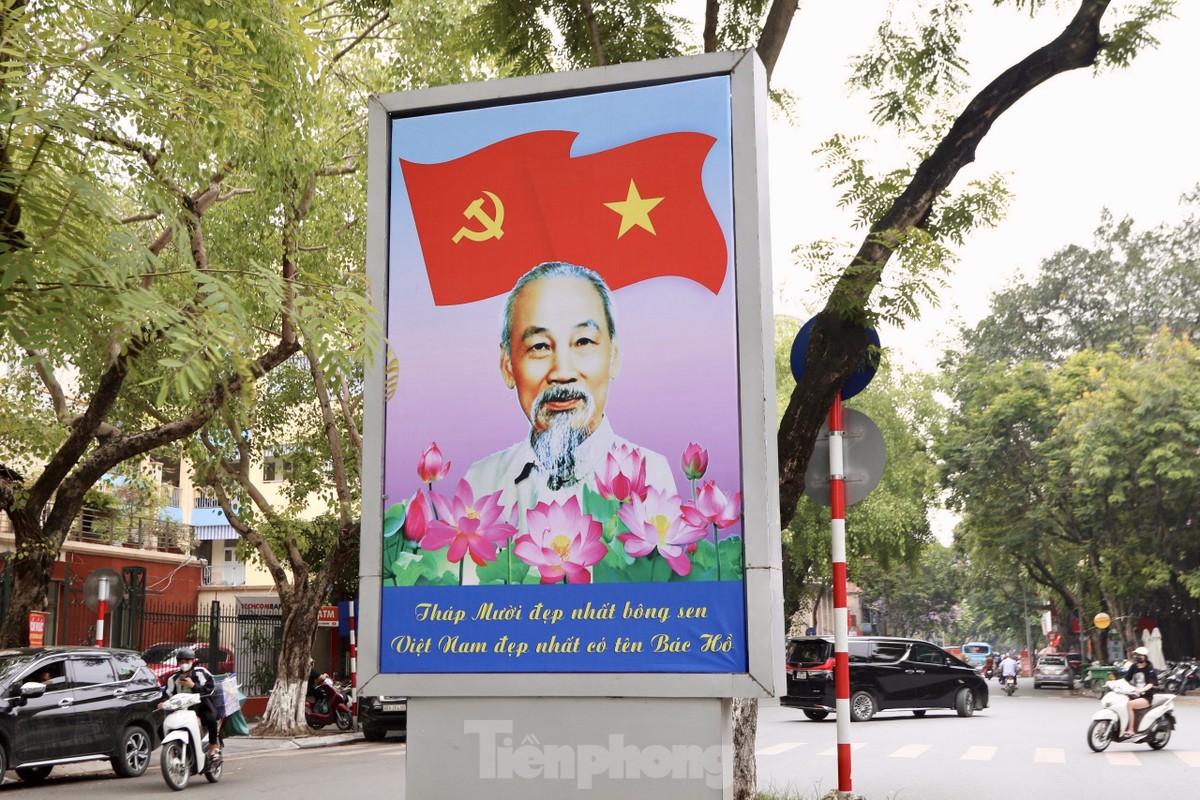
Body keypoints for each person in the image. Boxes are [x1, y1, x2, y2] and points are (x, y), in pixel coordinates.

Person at [464, 261, 678, 527]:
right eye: (539, 346)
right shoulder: (481, 481)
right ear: (507, 365)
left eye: (583, 342)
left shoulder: (653, 477)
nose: (562, 372)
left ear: (614, 356)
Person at [159, 647, 221, 760]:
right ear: (178, 663)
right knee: (161, 727)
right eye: (181, 662)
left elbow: (210, 689)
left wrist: (193, 685)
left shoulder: (202, 673)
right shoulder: (173, 678)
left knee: (211, 720)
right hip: (180, 710)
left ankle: (213, 746)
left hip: (201, 707)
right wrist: (162, 702)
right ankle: (173, 748)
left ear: (193, 661)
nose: (184, 664)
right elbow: (167, 694)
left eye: (187, 661)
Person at [1122, 645, 1158, 738]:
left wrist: (1142, 690)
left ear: (1145, 657)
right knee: (1121, 701)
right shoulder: (1134, 666)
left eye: (1139, 655)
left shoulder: (1149, 669)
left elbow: (1151, 684)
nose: (1137, 657)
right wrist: (1114, 684)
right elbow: (1126, 679)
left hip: (1145, 697)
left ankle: (1131, 730)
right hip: (1134, 695)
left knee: (1130, 705)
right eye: (1136, 655)